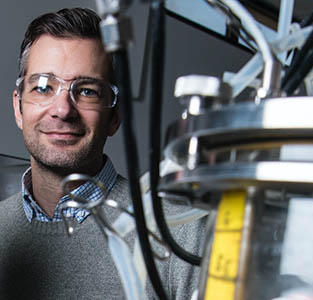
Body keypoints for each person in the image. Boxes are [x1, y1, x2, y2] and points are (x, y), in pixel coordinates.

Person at [0, 7, 204, 300]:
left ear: (115, 116)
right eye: (43, 87)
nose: (62, 110)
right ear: (18, 108)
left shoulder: (178, 232)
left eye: (87, 91)